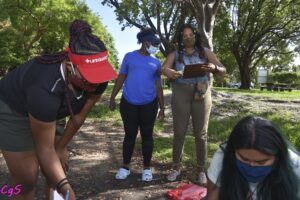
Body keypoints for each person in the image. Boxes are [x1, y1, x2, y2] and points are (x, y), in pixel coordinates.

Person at [0, 19, 117, 199]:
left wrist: (61, 148)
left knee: (55, 169)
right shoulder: (44, 87)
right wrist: (66, 189)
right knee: (27, 179)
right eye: (89, 78)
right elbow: (45, 149)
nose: (96, 83)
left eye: (99, 75)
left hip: (51, 106)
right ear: (70, 66)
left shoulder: (98, 79)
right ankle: (6, 192)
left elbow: (78, 116)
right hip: (13, 108)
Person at [161, 24, 226, 184]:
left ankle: (201, 170)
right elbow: (162, 69)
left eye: (191, 34)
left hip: (201, 93)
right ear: (181, 38)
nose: (188, 37)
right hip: (180, 93)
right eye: (184, 35)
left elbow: (223, 69)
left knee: (201, 134)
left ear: (195, 36)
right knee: (179, 132)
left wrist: (214, 68)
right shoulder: (175, 54)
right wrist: (167, 71)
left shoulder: (205, 52)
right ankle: (176, 167)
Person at [109, 28, 164, 182]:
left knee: (147, 135)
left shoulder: (156, 62)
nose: (157, 48)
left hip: (149, 104)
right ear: (146, 43)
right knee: (129, 135)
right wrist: (112, 97)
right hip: (129, 103)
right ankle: (125, 166)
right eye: (155, 44)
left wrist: (162, 107)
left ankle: (146, 168)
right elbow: (120, 78)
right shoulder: (129, 57)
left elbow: (158, 87)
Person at [207, 116, 300, 200]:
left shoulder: (296, 168)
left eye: (261, 162)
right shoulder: (223, 157)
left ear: (278, 157)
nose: (252, 166)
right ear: (233, 152)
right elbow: (213, 194)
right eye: (244, 159)